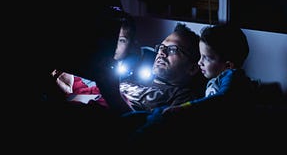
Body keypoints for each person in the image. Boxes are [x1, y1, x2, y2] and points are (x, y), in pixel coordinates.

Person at [127, 24, 258, 146]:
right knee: (136, 117)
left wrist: (184, 108)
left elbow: (221, 99)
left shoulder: (233, 77)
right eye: (161, 48)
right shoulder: (215, 80)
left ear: (228, 65)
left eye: (173, 50)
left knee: (156, 117)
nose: (200, 62)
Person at [51, 22, 205, 114]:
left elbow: (146, 130)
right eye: (161, 47)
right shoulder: (136, 78)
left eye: (172, 50)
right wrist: (70, 82)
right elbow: (92, 91)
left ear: (192, 68)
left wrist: (113, 96)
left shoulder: (183, 97)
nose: (161, 53)